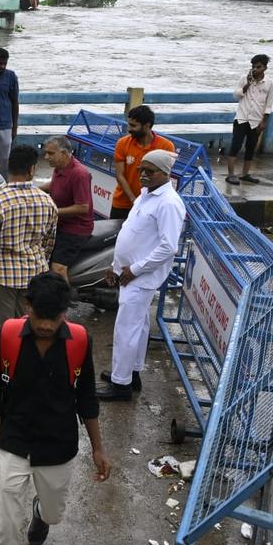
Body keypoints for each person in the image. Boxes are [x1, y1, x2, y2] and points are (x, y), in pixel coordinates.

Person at [0, 272, 110, 545]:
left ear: (65, 312)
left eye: (55, 317)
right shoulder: (7, 336)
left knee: (53, 512)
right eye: (40, 317)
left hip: (58, 445)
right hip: (15, 440)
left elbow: (87, 398)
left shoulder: (79, 341)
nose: (47, 325)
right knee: (6, 524)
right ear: (27, 306)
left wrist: (98, 449)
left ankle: (40, 513)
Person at [96, 149, 186, 401]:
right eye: (141, 170)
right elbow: (132, 233)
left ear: (165, 173)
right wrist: (115, 266)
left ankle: (120, 385)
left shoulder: (169, 203)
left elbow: (168, 247)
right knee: (139, 327)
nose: (143, 175)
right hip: (129, 273)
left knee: (126, 330)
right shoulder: (146, 195)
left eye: (150, 171)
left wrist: (134, 269)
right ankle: (131, 374)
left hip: (140, 277)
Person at [0, 145, 59, 325]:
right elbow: (48, 243)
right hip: (34, 277)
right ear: (31, 169)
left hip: (0, 279)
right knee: (27, 330)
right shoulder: (47, 201)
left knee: (3, 333)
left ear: (9, 168)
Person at [40, 135, 93, 279]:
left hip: (75, 229)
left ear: (63, 153)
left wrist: (53, 212)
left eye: (50, 153)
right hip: (59, 224)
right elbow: (54, 185)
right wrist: (33, 190)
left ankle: (65, 294)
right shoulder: (59, 168)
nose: (46, 157)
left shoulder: (79, 174)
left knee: (58, 268)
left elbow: (83, 207)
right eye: (46, 153)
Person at [112, 105, 175, 220]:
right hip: (123, 204)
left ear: (146, 126)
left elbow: (164, 176)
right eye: (129, 124)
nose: (129, 129)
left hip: (151, 206)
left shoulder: (166, 146)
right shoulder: (122, 143)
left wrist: (144, 202)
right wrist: (134, 200)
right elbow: (120, 175)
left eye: (133, 125)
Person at [225, 54, 273, 185]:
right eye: (253, 67)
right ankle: (230, 174)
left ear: (265, 68)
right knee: (235, 146)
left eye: (258, 67)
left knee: (251, 147)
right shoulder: (244, 79)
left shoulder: (270, 83)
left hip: (256, 120)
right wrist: (247, 84)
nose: (255, 70)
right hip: (241, 118)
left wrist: (264, 121)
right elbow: (236, 95)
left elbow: (268, 105)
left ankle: (245, 174)